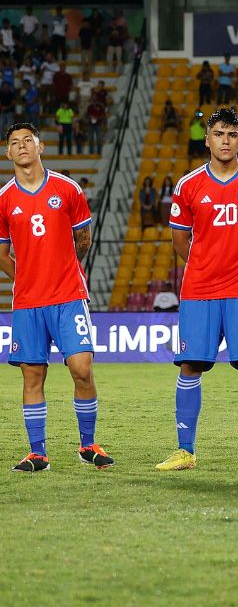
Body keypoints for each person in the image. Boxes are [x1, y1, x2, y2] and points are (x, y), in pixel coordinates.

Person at [157, 107, 238, 471]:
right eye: (218, 134)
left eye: (232, 135)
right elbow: (179, 240)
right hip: (200, 290)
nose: (225, 141)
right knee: (190, 366)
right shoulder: (188, 185)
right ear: (207, 139)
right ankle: (185, 451)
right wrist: (204, 265)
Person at [0, 123, 109, 471]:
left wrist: (62, 270)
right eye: (14, 142)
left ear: (41, 146)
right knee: (32, 376)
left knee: (81, 368)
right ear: (8, 152)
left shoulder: (67, 188)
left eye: (27, 140)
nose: (21, 146)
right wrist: (27, 277)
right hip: (28, 303)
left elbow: (84, 239)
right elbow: (2, 253)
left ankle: (88, 445)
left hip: (68, 296)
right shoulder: (4, 198)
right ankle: (38, 453)